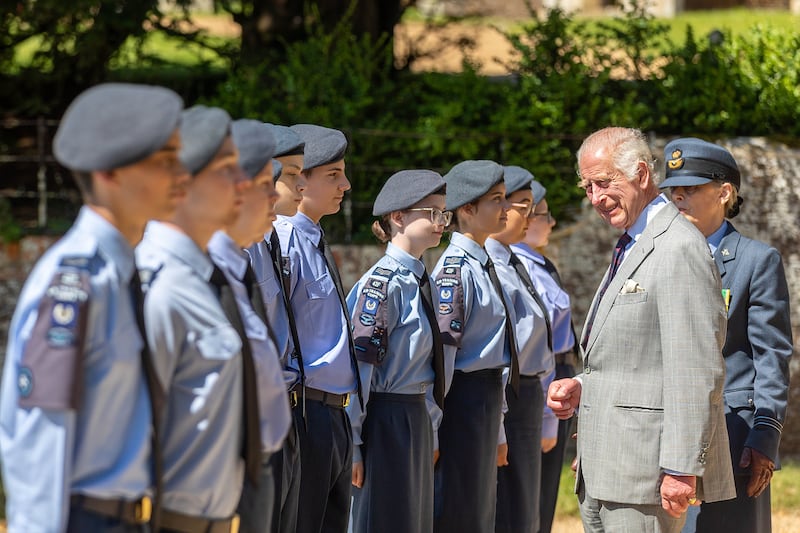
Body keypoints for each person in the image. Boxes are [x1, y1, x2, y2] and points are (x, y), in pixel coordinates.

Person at [0, 83, 187, 532]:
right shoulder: (76, 283)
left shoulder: (122, 270)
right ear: (109, 173)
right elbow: (39, 439)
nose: (182, 173)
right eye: (165, 161)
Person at [547, 126, 736, 533]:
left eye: (603, 182)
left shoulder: (678, 246)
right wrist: (583, 386)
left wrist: (681, 469)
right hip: (605, 469)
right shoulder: (635, 241)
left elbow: (697, 367)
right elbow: (636, 357)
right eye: (587, 187)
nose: (595, 198)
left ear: (641, 174)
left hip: (645, 477)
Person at [658, 138, 793, 533]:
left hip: (733, 433)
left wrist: (765, 436)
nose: (678, 198)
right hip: (661, 431)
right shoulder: (654, 258)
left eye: (691, 189)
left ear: (724, 192)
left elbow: (770, 354)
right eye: (673, 191)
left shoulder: (755, 260)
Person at [136, 105, 251, 532]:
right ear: (182, 184)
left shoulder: (200, 279)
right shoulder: (160, 288)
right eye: (226, 169)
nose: (243, 183)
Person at [346, 169, 449, 533]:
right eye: (432, 212)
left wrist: (431, 428)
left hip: (415, 416)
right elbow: (359, 372)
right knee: (384, 519)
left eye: (444, 214)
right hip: (386, 419)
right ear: (398, 217)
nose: (441, 222)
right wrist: (355, 446)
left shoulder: (423, 281)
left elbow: (429, 367)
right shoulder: (381, 286)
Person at [273, 124, 362, 533]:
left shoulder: (311, 237)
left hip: (335, 413)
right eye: (332, 175)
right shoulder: (283, 240)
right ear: (299, 180)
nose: (345, 184)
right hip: (304, 411)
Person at [208, 118, 292, 533]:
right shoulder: (196, 276)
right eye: (265, 185)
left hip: (253, 474)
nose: (276, 196)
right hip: (211, 495)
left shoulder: (235, 269)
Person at [431, 160, 515, 533]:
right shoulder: (455, 271)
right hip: (462, 402)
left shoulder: (482, 263)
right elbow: (444, 358)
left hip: (484, 398)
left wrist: (497, 429)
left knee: (481, 511)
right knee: (459, 509)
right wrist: (434, 429)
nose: (506, 209)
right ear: (467, 209)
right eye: (496, 200)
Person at [246, 122, 307, 533]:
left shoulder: (268, 243)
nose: (299, 185)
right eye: (290, 174)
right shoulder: (243, 249)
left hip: (283, 407)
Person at [510, 176, 579, 533]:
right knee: (530, 504)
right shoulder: (519, 269)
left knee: (542, 501)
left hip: (556, 385)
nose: (551, 223)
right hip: (542, 390)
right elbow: (536, 350)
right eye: (544, 215)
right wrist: (548, 417)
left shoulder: (539, 264)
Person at [488, 166, 553, 533]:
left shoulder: (511, 260)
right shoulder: (491, 263)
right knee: (510, 508)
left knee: (524, 507)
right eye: (523, 205)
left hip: (526, 395)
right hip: (507, 395)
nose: (530, 216)